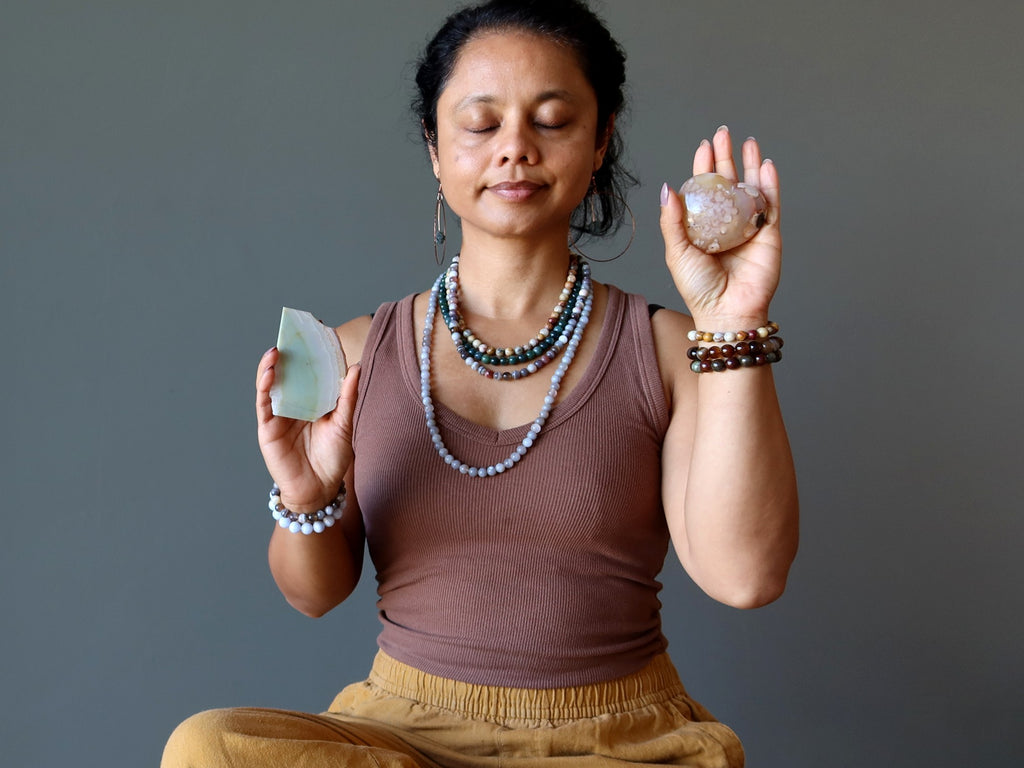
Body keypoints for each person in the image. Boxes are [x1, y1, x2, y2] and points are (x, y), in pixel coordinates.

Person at [162, 0, 798, 765]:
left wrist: (731, 325)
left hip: (618, 743)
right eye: (480, 123)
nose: (515, 149)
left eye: (553, 120)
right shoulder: (352, 350)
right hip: (409, 737)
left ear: (601, 141)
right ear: (434, 147)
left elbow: (745, 577)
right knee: (209, 747)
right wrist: (308, 496)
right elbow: (313, 595)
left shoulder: (665, 348)